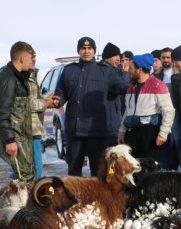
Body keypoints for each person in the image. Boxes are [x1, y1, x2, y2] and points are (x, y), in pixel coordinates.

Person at [54, 36, 129, 176]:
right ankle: (74, 197)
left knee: (98, 171)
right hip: (75, 131)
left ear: (94, 51)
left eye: (89, 48)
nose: (86, 51)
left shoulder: (105, 71)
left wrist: (125, 73)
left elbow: (122, 87)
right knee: (74, 171)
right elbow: (61, 92)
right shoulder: (69, 70)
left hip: (95, 132)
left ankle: (97, 198)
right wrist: (57, 100)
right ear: (78, 51)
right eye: (83, 48)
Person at [0, 42, 55, 182]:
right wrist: (9, 140)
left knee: (26, 176)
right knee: (22, 178)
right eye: (30, 58)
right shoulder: (8, 80)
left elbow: (22, 107)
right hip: (16, 138)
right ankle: (15, 204)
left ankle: (24, 203)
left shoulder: (19, 78)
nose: (32, 61)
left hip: (23, 136)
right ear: (22, 59)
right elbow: (1, 114)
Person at [118, 53, 174, 161]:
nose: (128, 70)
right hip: (133, 133)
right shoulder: (131, 87)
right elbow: (127, 111)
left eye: (131, 68)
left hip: (150, 133)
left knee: (149, 169)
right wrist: (122, 132)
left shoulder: (158, 85)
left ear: (139, 69)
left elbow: (168, 111)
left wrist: (163, 133)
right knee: (133, 168)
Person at [27, 63, 58, 179]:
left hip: (34, 128)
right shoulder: (20, 78)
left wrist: (45, 100)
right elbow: (25, 104)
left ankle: (34, 191)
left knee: (36, 166)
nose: (34, 60)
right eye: (32, 57)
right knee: (20, 169)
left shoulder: (31, 76)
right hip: (27, 129)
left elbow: (32, 101)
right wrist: (46, 103)